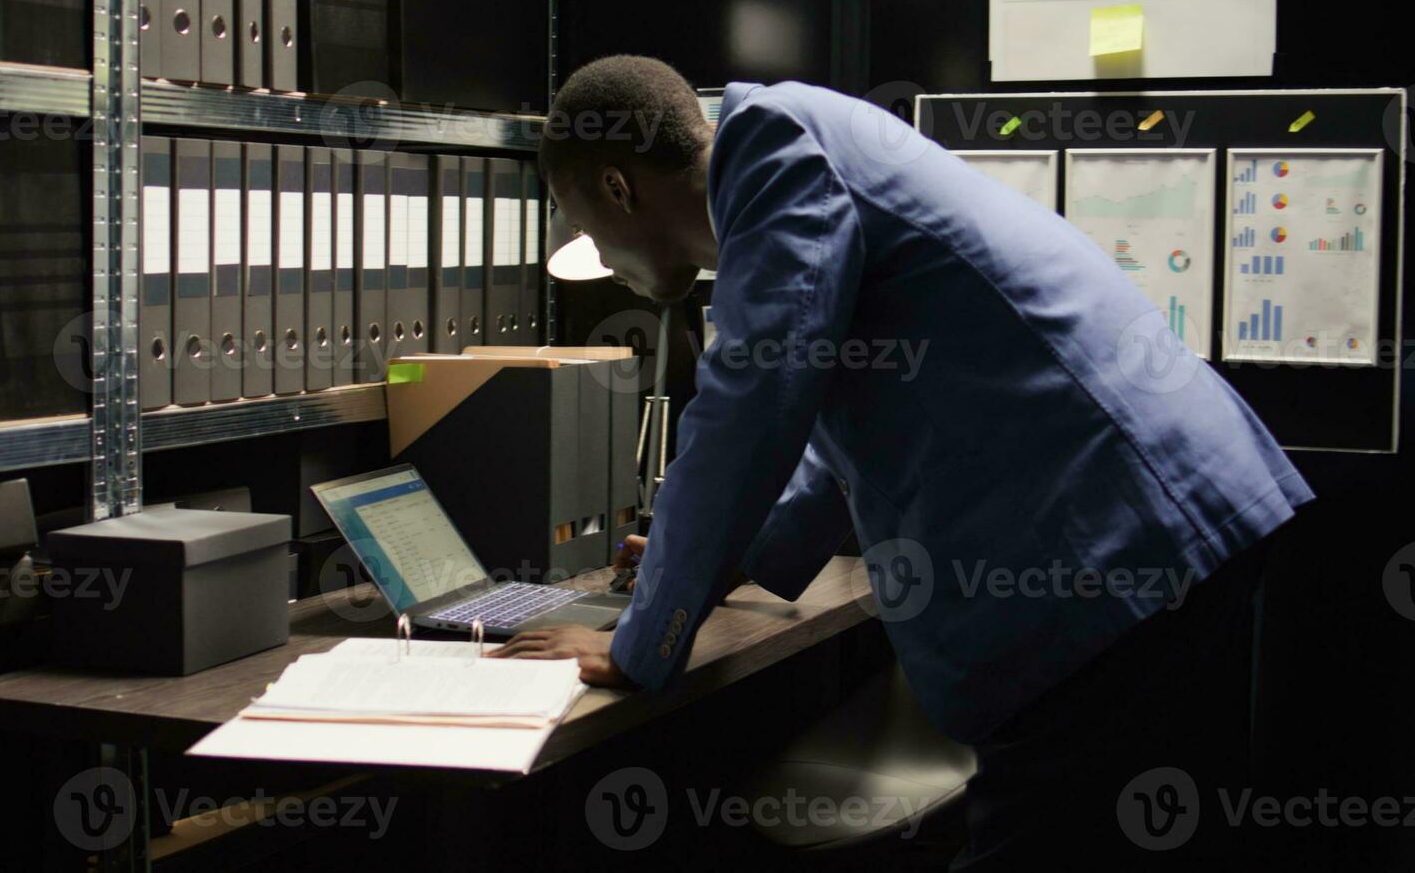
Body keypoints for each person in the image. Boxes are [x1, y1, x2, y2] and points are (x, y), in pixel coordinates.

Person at [489, 56, 1313, 865]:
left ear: (617, 189)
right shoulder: (799, 139)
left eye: (587, 228)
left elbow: (748, 413)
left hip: (1124, 546)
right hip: (1162, 526)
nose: (597, 254)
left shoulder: (773, 152)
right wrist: (712, 562)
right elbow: (825, 452)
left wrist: (641, 643)